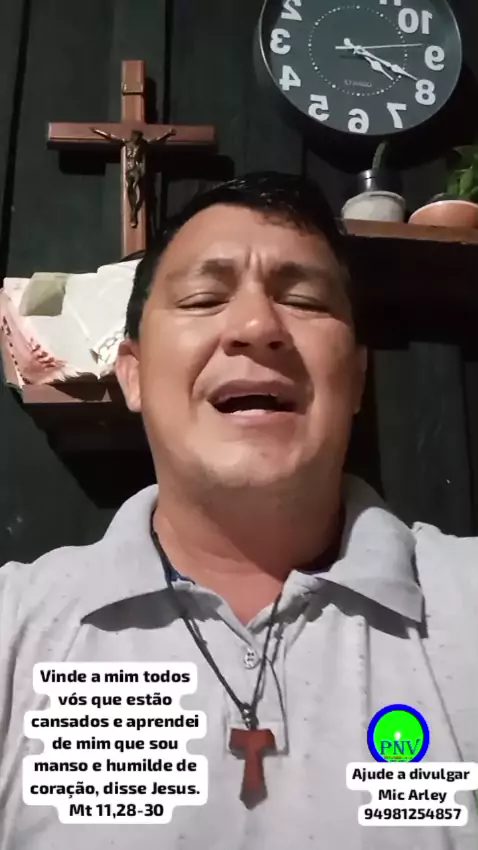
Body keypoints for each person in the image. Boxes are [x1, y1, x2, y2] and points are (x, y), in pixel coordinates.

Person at [0, 172, 477, 850]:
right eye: (203, 298)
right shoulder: (14, 631)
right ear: (132, 374)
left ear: (358, 378)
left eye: (303, 299)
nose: (256, 327)